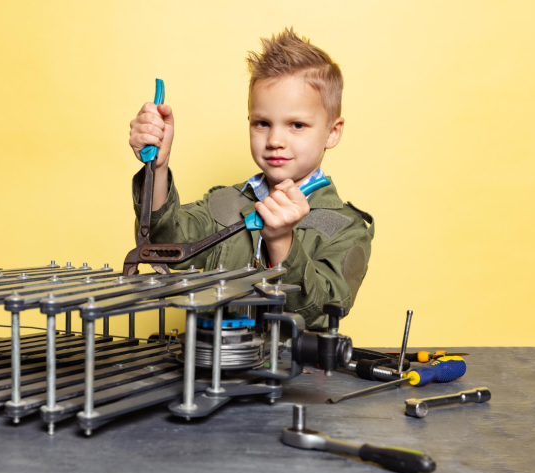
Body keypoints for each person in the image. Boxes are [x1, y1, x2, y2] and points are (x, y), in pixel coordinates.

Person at [128, 27, 373, 330]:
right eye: (262, 123)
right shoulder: (224, 203)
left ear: (332, 132)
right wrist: (159, 167)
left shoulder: (347, 227)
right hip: (213, 367)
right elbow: (165, 246)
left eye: (297, 125)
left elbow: (322, 313)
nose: (275, 140)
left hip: (294, 375)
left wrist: (282, 241)